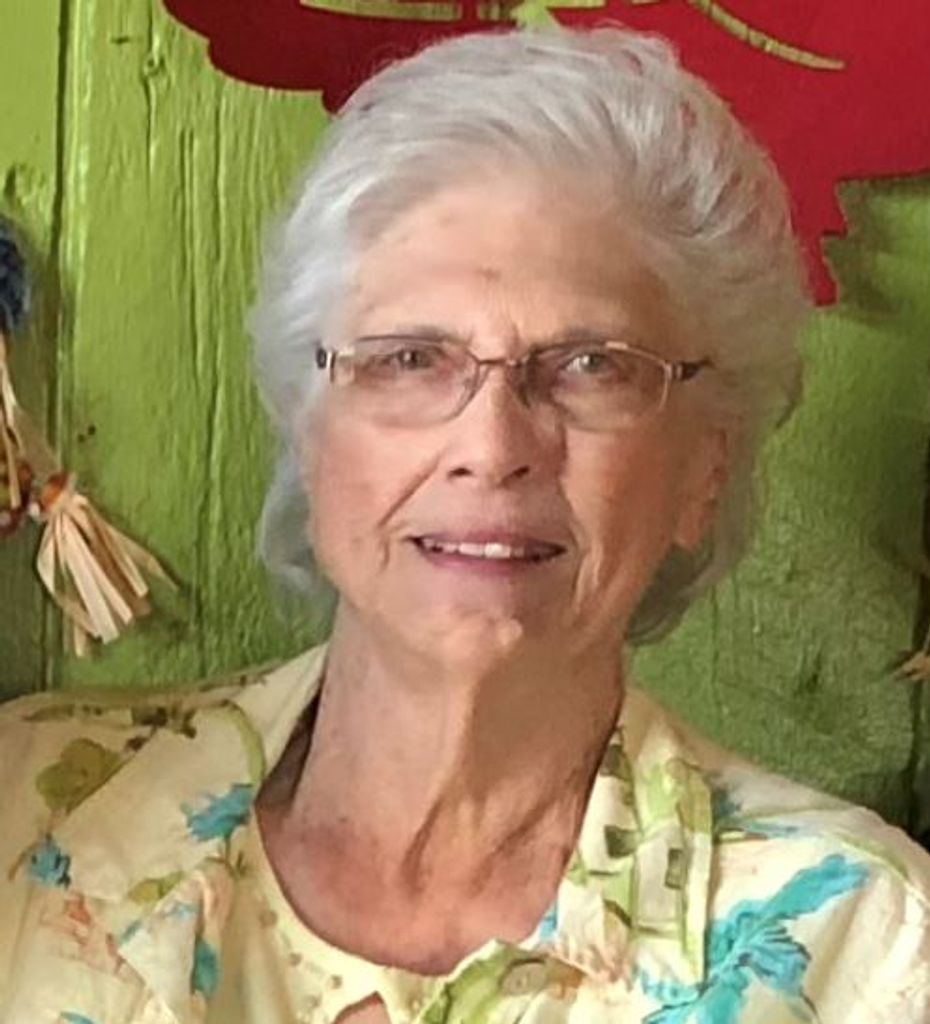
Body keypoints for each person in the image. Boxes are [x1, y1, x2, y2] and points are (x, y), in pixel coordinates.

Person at [1, 25, 928, 1024]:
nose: (492, 447)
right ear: (309, 432)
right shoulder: (26, 808)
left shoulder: (868, 950)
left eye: (590, 366)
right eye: (409, 359)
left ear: (704, 466)